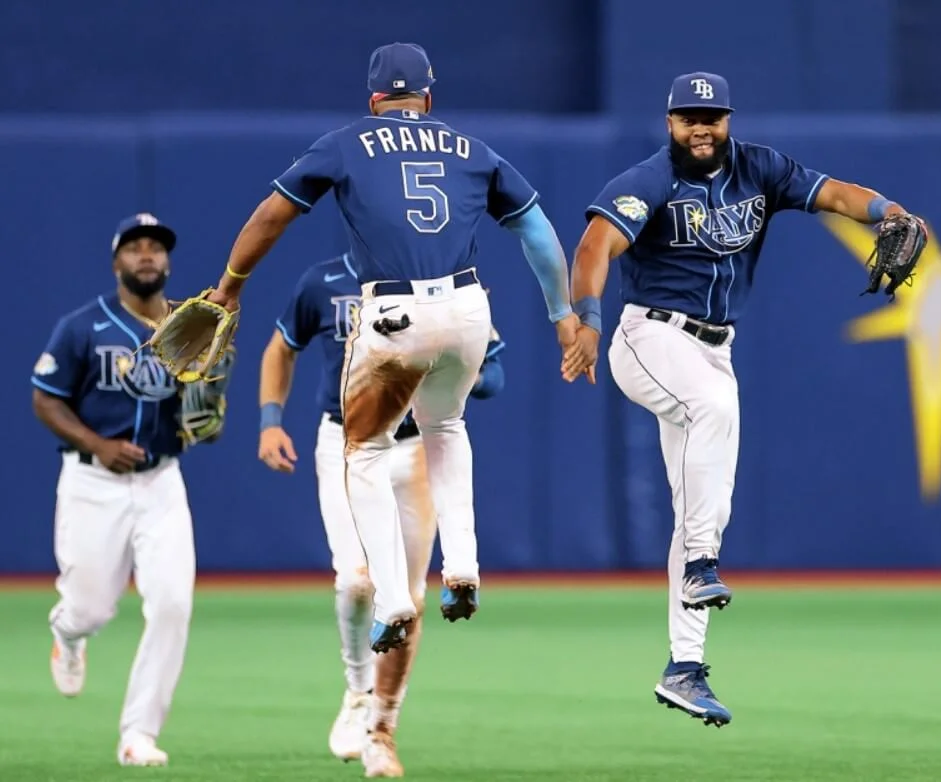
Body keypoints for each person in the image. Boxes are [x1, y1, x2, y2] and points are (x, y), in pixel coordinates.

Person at [563, 72, 927, 727]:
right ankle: (703, 562)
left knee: (702, 497)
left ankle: (683, 667)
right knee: (713, 414)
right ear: (668, 122)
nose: (701, 127)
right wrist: (585, 318)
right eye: (688, 117)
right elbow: (596, 244)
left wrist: (890, 213)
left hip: (712, 348)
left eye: (712, 115)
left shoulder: (759, 168)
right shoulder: (650, 181)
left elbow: (837, 194)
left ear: (728, 118)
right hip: (649, 336)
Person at [203, 41, 580, 653]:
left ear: (374, 98)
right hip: (467, 308)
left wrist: (231, 285)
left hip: (395, 311)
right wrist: (563, 314)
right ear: (428, 96)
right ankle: (462, 566)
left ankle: (394, 595)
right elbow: (535, 227)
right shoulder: (471, 148)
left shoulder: (347, 142)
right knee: (447, 427)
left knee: (364, 451)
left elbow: (273, 214)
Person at [258, 250, 505, 776]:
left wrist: (456, 375)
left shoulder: (438, 282)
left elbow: (494, 371)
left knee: (407, 600)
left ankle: (382, 731)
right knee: (355, 581)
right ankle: (356, 690)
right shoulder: (322, 279)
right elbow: (281, 348)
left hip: (415, 448)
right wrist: (269, 420)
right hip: (347, 442)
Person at [31, 213, 235, 765]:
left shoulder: (190, 325)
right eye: (135, 248)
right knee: (90, 609)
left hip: (162, 482)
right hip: (93, 480)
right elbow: (45, 397)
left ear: (167, 262)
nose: (146, 256)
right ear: (116, 261)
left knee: (172, 603)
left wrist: (207, 409)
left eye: (156, 248)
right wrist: (96, 442)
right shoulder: (82, 327)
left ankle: (138, 734)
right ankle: (68, 633)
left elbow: (206, 412)